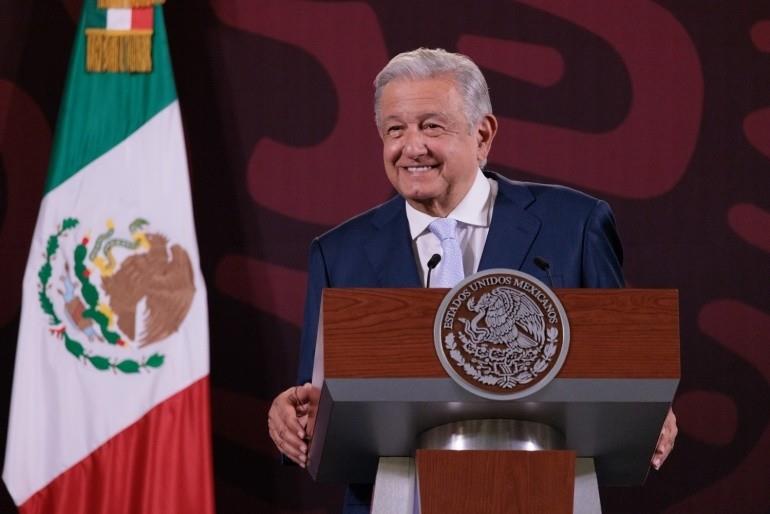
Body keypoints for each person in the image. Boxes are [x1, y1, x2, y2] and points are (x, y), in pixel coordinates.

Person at [267, 47, 677, 512]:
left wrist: (648, 404)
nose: (411, 147)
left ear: (483, 135)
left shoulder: (574, 224)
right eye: (394, 129)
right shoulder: (339, 252)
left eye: (431, 126)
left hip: (542, 490)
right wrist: (290, 415)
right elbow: (316, 396)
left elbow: (623, 361)